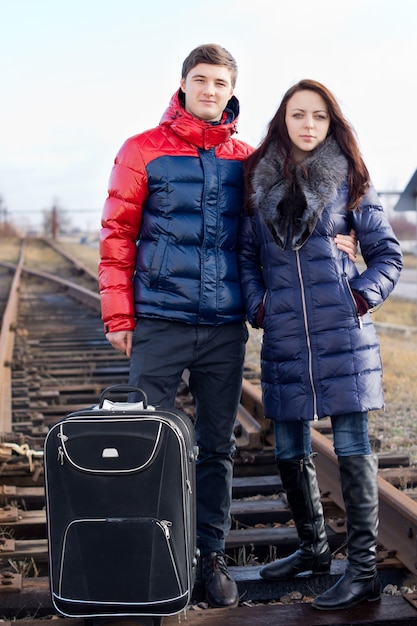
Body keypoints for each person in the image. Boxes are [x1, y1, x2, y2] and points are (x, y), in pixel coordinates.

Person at [98, 46, 358, 610]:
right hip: (159, 322)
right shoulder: (142, 150)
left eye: (220, 82)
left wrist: (346, 237)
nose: (210, 90)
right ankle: (149, 555)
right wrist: (119, 315)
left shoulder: (247, 158)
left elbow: (286, 220)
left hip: (222, 326)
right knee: (149, 444)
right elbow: (116, 235)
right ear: (184, 83)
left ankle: (209, 556)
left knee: (216, 448)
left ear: (231, 90)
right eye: (201, 80)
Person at [238, 79, 402, 611]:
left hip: (342, 338)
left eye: (319, 117)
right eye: (298, 115)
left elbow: (387, 257)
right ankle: (312, 550)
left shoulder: (350, 181)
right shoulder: (258, 183)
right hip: (284, 334)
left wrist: (357, 298)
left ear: (331, 124)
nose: (309, 125)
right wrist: (259, 307)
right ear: (282, 122)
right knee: (288, 448)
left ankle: (360, 570)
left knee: (352, 447)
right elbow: (247, 259)